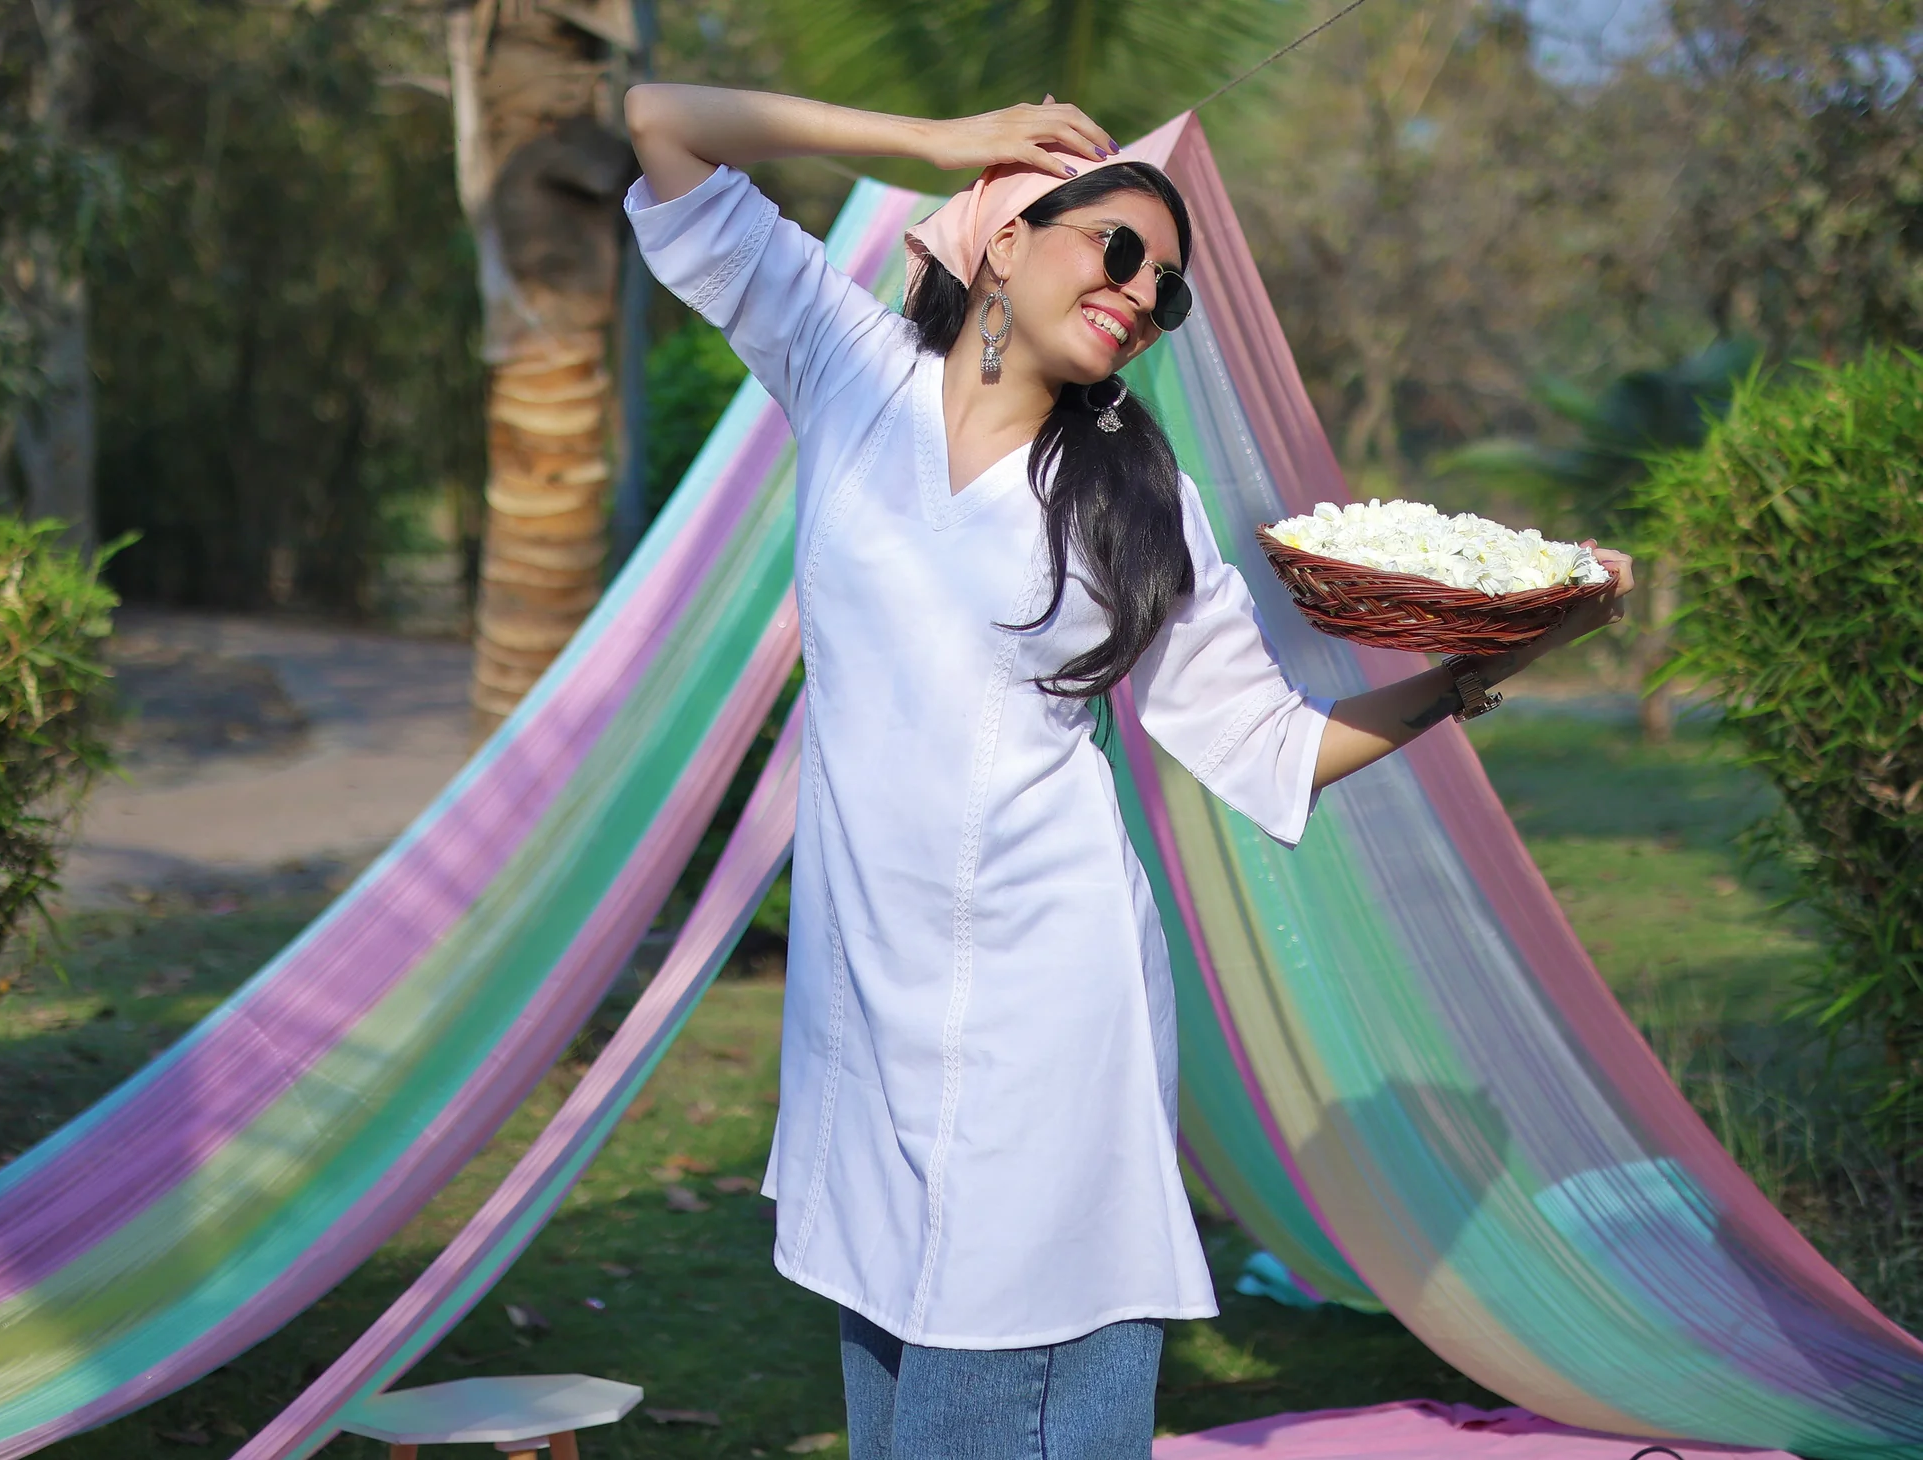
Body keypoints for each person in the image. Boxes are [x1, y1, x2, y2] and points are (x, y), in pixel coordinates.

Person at [621, 86, 1634, 1460]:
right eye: (1117, 250)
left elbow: (1271, 747)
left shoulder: (1138, 505)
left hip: (1051, 998)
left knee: (1008, 1383)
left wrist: (1480, 665)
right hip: (862, 989)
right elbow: (663, 119)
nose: (1142, 294)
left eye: (1166, 288)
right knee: (897, 1375)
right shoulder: (846, 370)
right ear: (1002, 241)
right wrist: (931, 146)